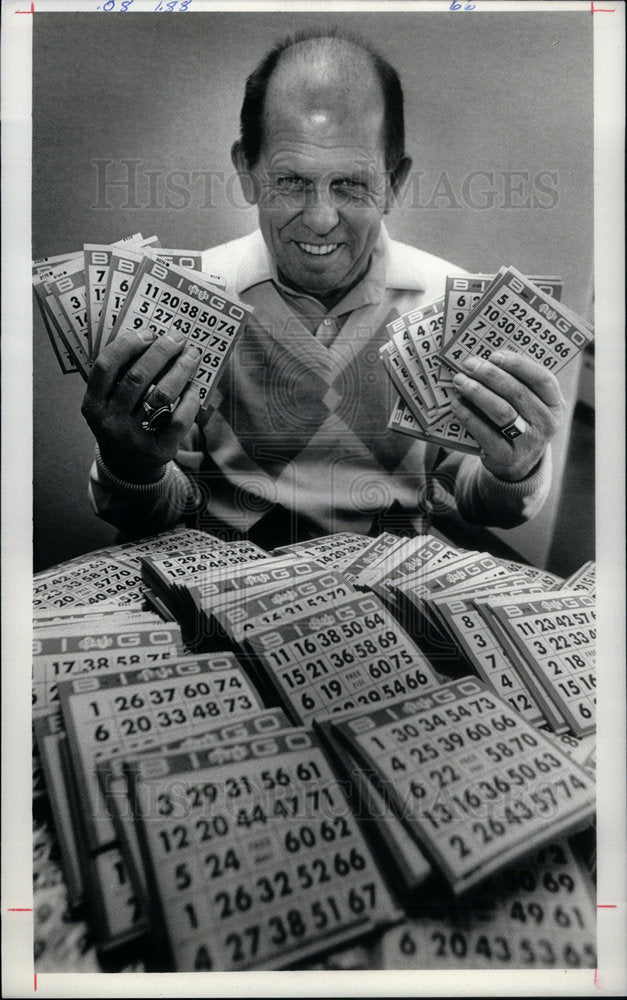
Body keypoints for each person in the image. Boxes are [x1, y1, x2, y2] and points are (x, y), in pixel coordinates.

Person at [82, 28, 566, 549]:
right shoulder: (186, 301)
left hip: (393, 594)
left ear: (394, 184)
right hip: (223, 589)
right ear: (246, 170)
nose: (319, 219)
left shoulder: (453, 305)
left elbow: (478, 503)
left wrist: (517, 465)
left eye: (351, 184)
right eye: (291, 181)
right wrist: (133, 464)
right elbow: (150, 514)